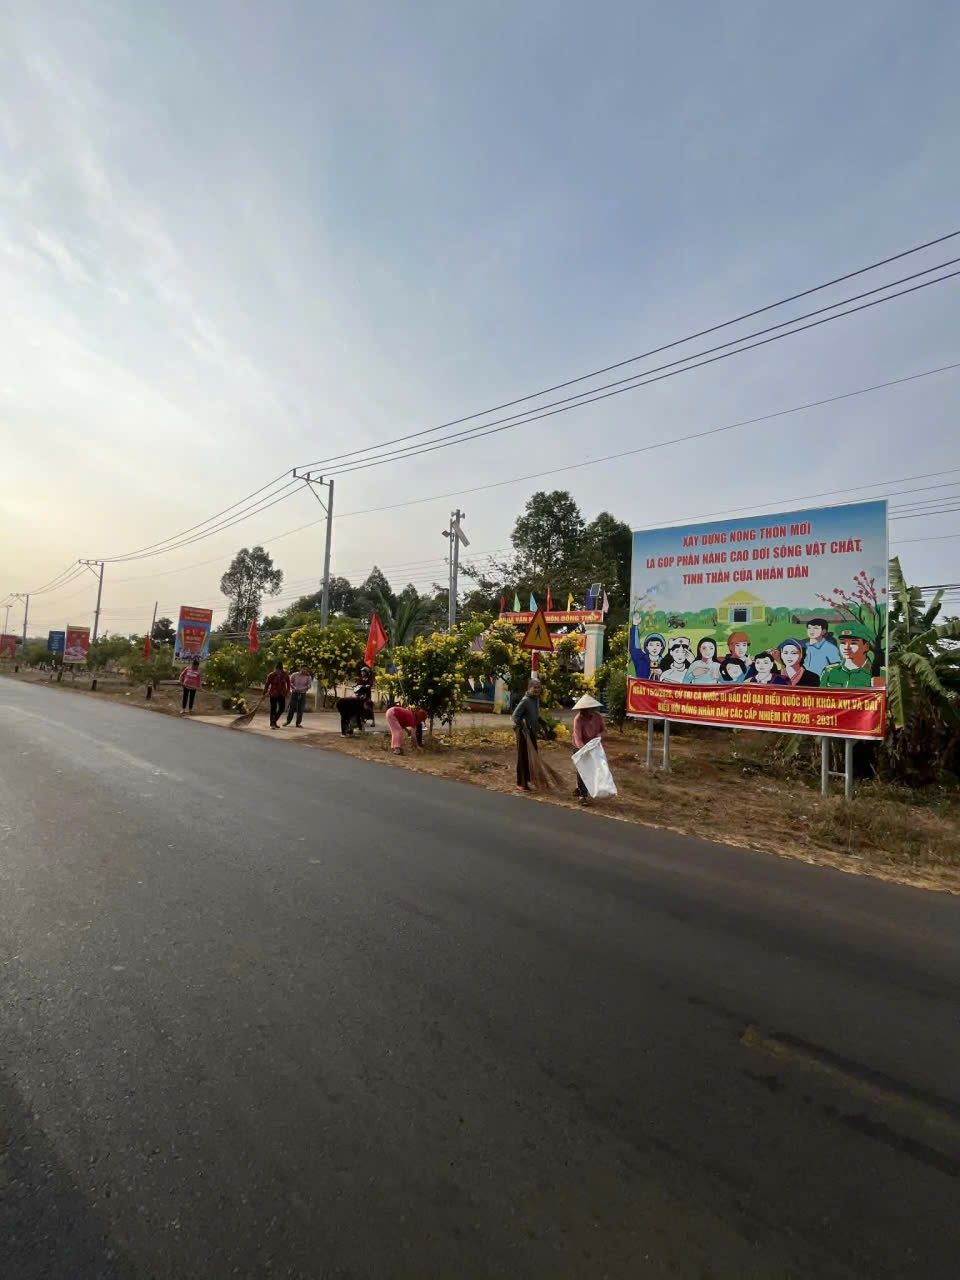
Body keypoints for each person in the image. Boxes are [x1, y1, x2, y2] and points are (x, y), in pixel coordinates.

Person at [571, 693, 605, 803]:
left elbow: (604, 730)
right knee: (582, 770)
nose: (592, 710)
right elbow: (578, 738)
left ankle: (578, 788)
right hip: (580, 747)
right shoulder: (578, 719)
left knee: (592, 770)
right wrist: (584, 751)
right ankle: (582, 796)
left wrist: (599, 736)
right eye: (589, 708)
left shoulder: (598, 717)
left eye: (593, 708)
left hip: (593, 746)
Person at [511, 679, 542, 791]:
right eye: (535, 687)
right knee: (523, 757)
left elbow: (535, 715)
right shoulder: (526, 700)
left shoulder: (536, 700)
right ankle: (521, 783)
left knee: (532, 757)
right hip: (523, 733)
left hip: (532, 733)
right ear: (529, 688)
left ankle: (528, 780)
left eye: (539, 687)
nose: (537, 689)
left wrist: (541, 724)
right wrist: (524, 727)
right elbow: (515, 716)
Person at [265, 661, 290, 729]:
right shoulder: (271, 675)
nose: (278, 671)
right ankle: (272, 724)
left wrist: (288, 691)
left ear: (281, 670)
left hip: (282, 693)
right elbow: (267, 684)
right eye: (276, 669)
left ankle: (274, 721)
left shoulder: (285, 675)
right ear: (275, 669)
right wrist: (265, 692)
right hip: (273, 693)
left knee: (282, 708)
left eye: (279, 670)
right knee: (273, 708)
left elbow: (288, 683)